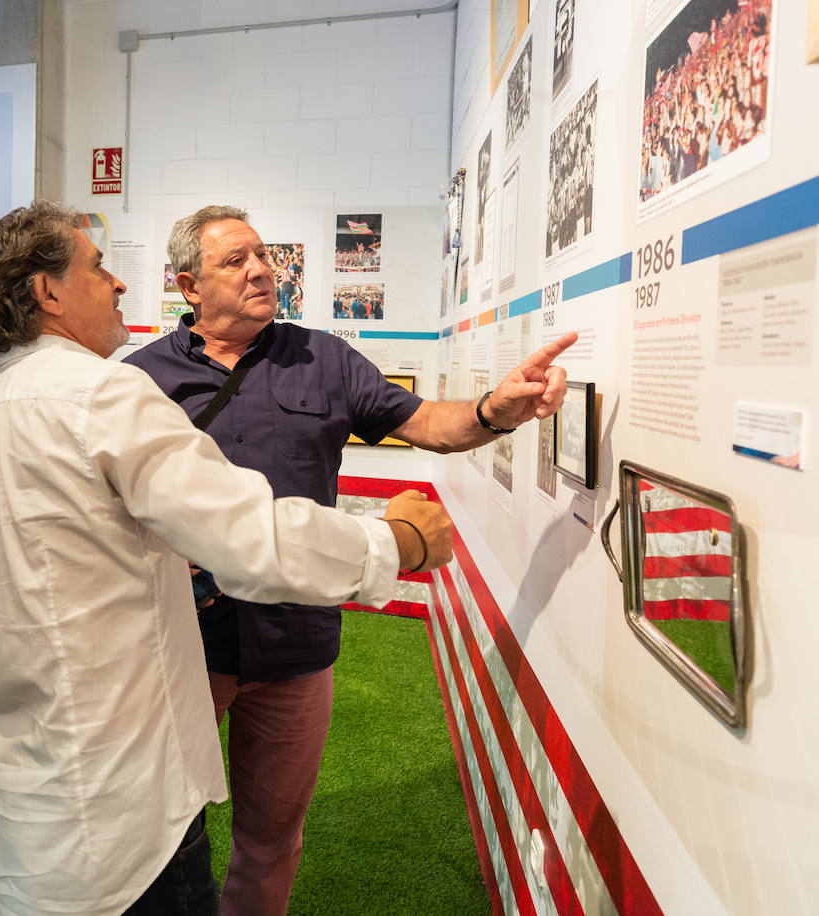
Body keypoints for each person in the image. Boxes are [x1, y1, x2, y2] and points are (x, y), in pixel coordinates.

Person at [0, 200, 453, 916]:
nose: (117, 285)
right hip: (124, 829)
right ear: (47, 293)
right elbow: (250, 538)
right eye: (97, 267)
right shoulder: (104, 396)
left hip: (13, 822)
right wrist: (397, 541)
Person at [125, 204, 577, 916]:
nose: (260, 269)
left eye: (262, 255)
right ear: (189, 284)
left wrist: (497, 408)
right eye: (235, 261)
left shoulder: (323, 358)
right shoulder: (138, 380)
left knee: (271, 839)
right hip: (180, 645)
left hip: (295, 645)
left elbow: (428, 424)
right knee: (154, 833)